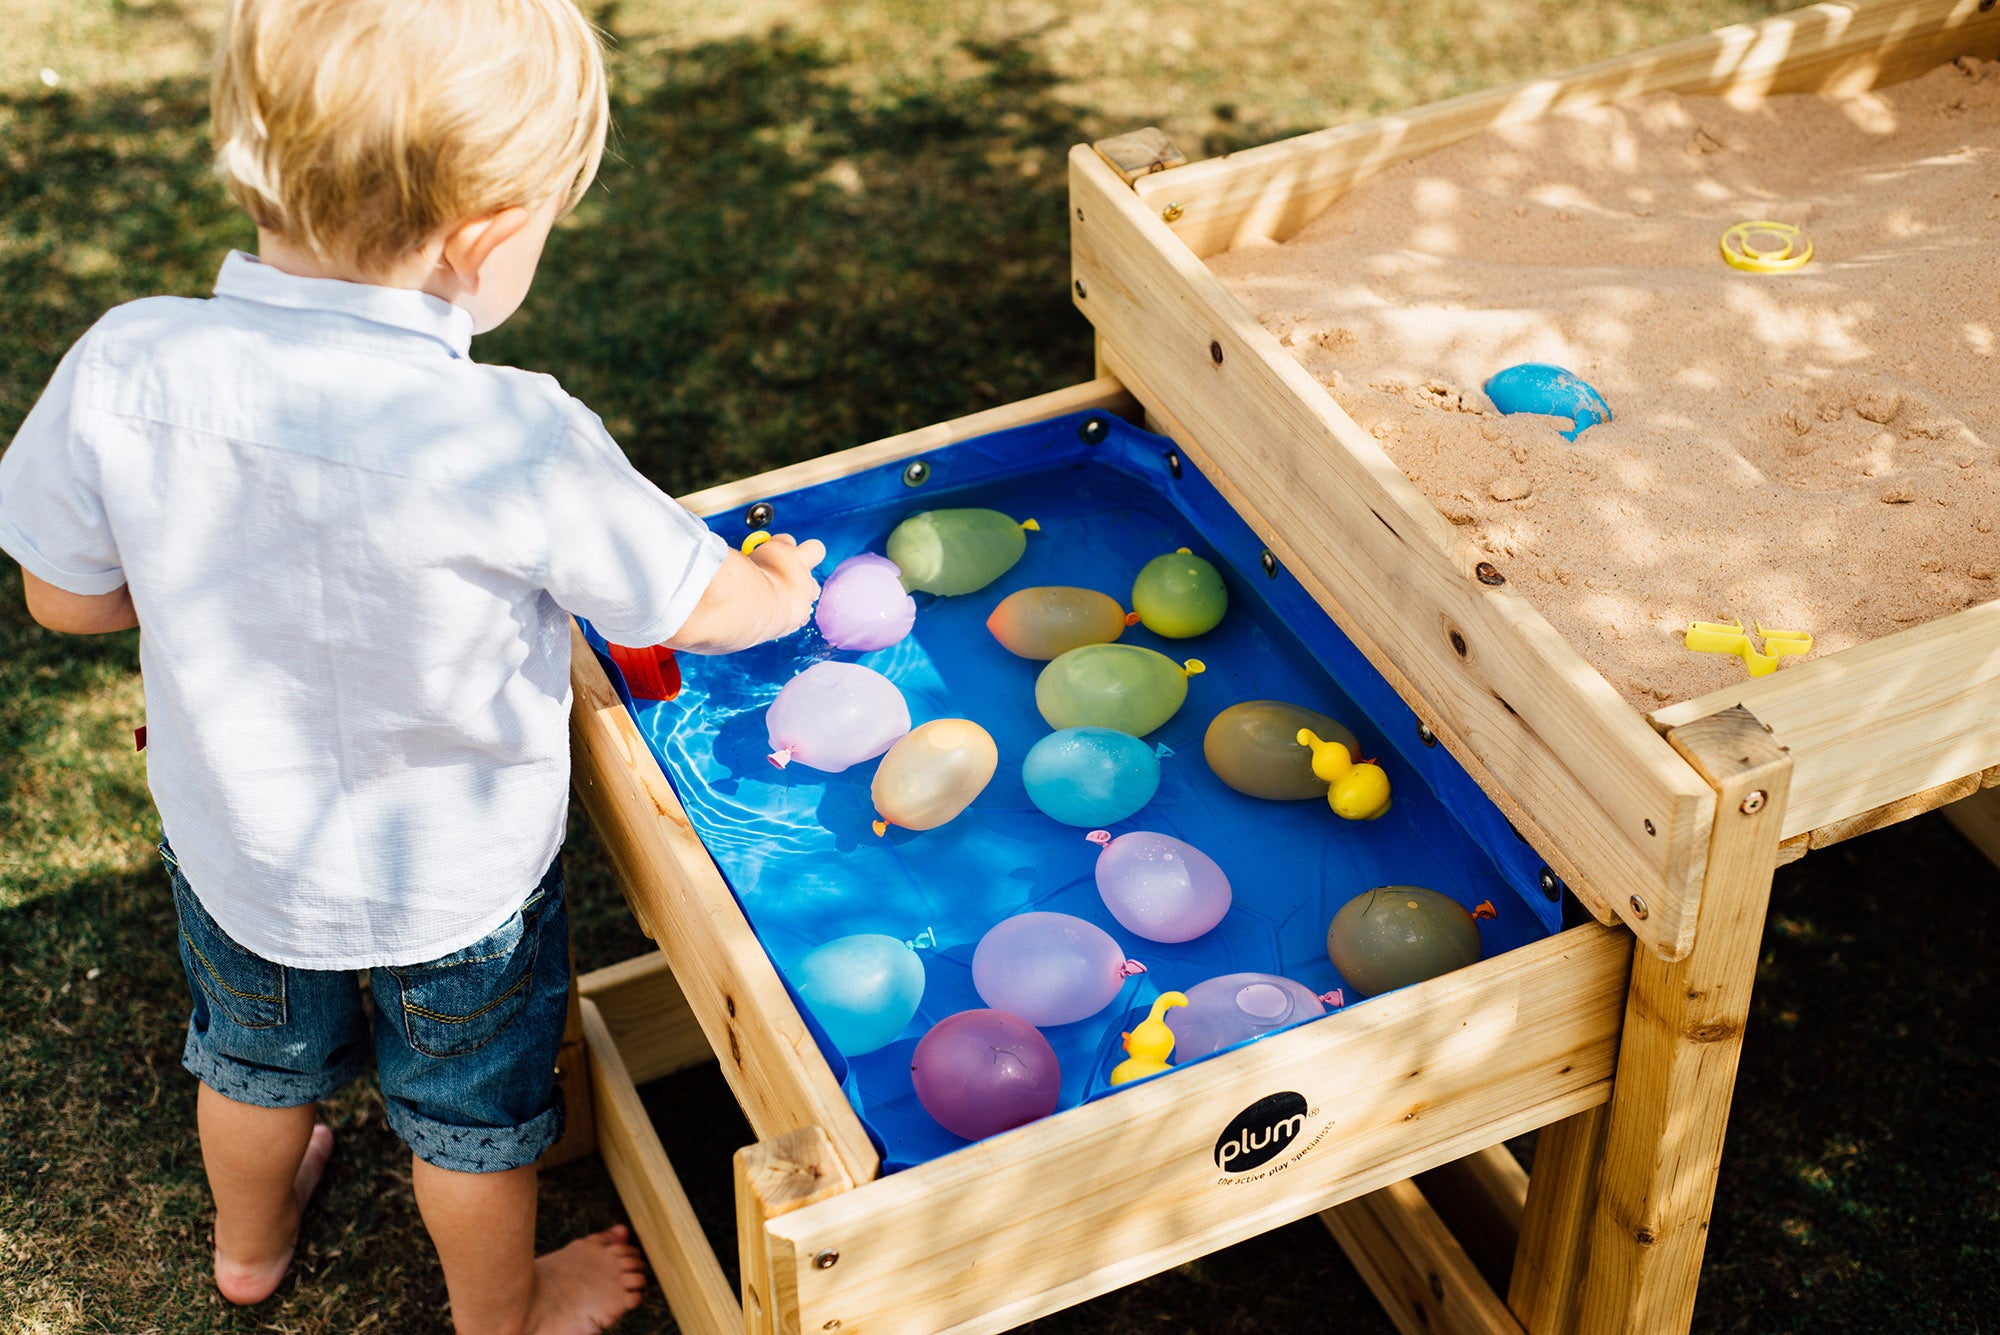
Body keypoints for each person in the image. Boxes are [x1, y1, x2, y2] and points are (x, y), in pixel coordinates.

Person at [0, 0, 824, 1329]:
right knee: (470, 1130)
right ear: (487, 237)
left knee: (255, 1068)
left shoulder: (128, 365)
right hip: (458, 889)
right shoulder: (514, 436)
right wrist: (778, 590)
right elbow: (693, 608)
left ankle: (250, 1252)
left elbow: (65, 601)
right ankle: (503, 1318)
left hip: (239, 851)